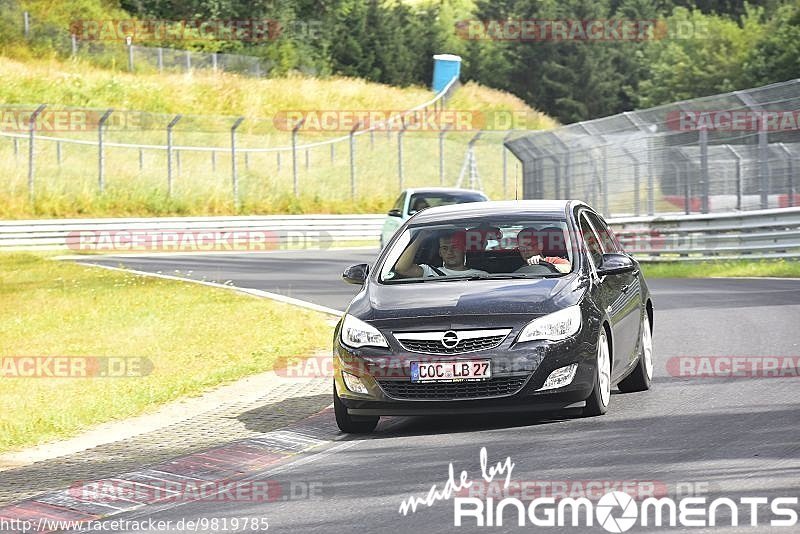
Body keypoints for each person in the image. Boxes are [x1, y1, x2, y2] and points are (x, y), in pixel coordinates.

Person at [394, 229, 489, 278]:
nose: (449, 252)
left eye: (454, 247)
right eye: (445, 248)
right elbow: (401, 269)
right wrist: (421, 237)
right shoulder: (429, 271)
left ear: (463, 249)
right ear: (440, 252)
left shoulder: (481, 276)